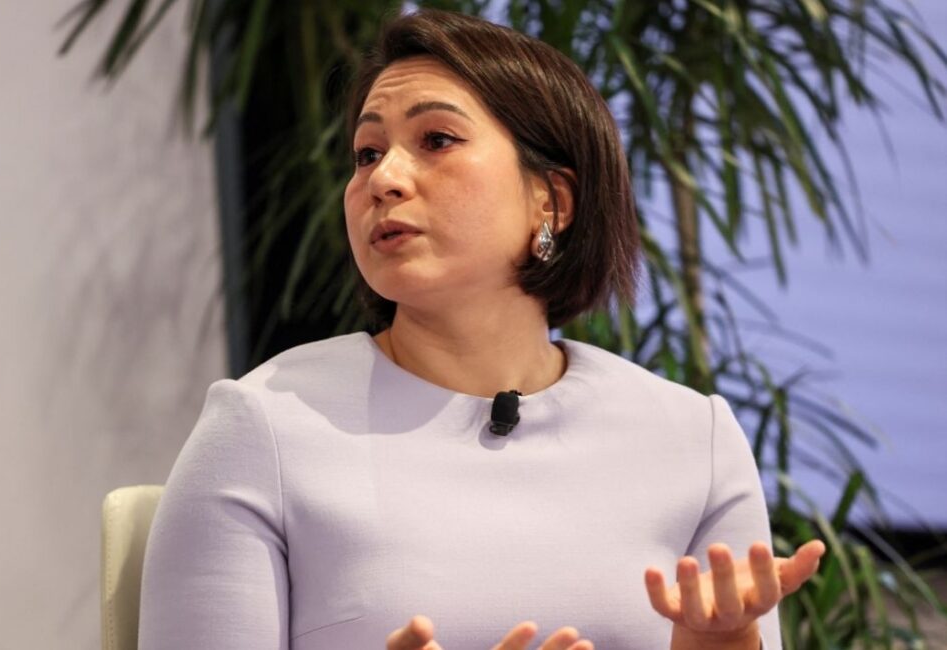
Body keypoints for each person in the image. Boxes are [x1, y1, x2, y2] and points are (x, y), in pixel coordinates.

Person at [138, 9, 824, 650]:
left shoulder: (692, 441)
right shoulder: (262, 429)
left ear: (549, 201)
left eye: (436, 140)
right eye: (367, 152)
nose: (384, 179)